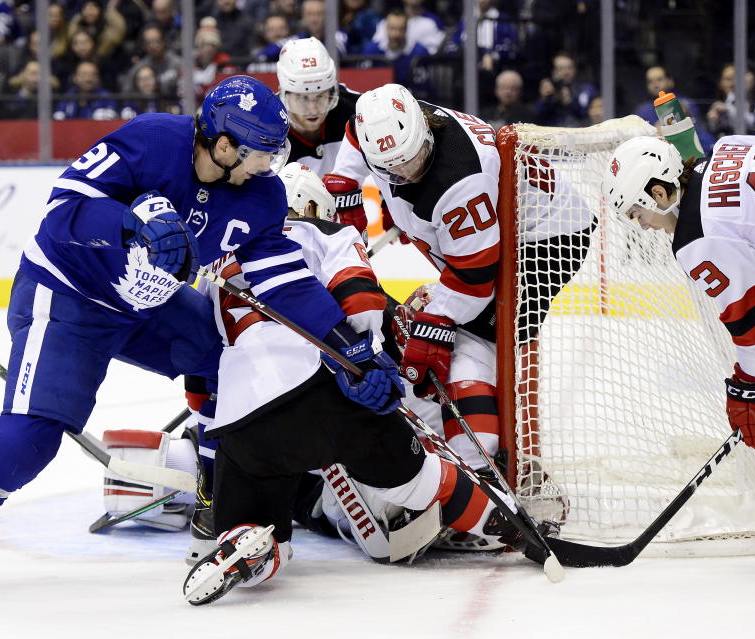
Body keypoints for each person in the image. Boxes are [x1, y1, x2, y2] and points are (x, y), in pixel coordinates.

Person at [0, 75, 398, 604]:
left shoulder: (259, 195)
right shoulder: (152, 140)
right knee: (28, 439)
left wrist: (347, 350)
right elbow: (60, 213)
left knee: (229, 366)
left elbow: (286, 282)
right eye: (260, 152)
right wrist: (132, 218)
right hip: (68, 297)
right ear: (222, 145)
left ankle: (217, 506)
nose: (270, 165)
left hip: (149, 305)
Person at [182, 162, 539, 605]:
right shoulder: (320, 231)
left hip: (244, 423)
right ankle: (511, 527)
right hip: (324, 393)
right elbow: (360, 298)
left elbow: (199, 381)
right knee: (422, 478)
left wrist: (214, 449)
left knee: (265, 530)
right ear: (311, 205)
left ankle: (245, 543)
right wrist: (364, 360)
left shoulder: (215, 269)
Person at [324, 84, 507, 501]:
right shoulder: (388, 125)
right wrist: (346, 183)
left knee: (472, 344)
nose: (404, 175)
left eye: (410, 161)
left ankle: (478, 469)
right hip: (473, 255)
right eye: (389, 170)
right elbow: (356, 132)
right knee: (431, 341)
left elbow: (475, 280)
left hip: (534, 253)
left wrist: (437, 321)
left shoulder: (461, 181)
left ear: (427, 129)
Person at [602, 132, 755, 450]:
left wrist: (749, 387)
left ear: (658, 192)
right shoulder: (728, 148)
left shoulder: (699, 237)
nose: (642, 226)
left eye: (638, 214)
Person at [277, 37, 358, 177]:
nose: (313, 109)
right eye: (302, 98)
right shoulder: (266, 127)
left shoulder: (355, 108)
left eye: (321, 96)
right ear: (285, 95)